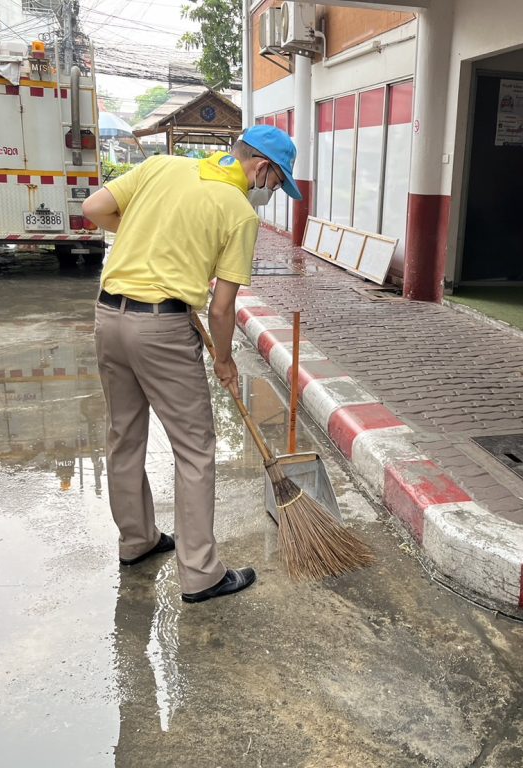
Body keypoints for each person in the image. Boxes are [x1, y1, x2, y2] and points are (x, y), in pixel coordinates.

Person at [82, 125, 302, 604]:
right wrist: (224, 362)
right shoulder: (238, 212)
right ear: (261, 167)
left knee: (124, 434)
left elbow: (93, 208)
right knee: (195, 448)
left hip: (108, 316)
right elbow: (221, 310)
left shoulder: (162, 166)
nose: (269, 192)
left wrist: (151, 233)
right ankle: (201, 574)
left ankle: (137, 540)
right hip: (162, 330)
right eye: (274, 183)